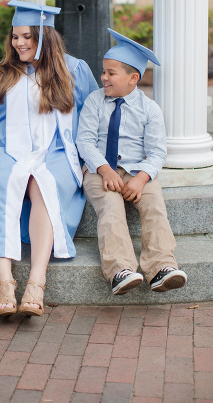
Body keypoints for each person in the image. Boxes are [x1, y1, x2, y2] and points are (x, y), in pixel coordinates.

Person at [0, 0, 98, 317]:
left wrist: (92, 158)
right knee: (0, 179)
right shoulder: (0, 73)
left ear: (45, 37)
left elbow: (94, 116)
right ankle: (4, 283)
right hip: (4, 148)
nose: (19, 43)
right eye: (15, 36)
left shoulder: (75, 70)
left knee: (46, 184)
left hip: (56, 149)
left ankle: (36, 282)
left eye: (27, 36)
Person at [76, 29, 187, 295]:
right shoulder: (94, 101)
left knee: (155, 206)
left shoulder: (149, 108)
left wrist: (141, 178)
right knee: (111, 206)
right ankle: (120, 270)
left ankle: (162, 267)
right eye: (103, 71)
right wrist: (104, 169)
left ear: (133, 78)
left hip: (138, 170)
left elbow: (158, 151)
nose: (103, 77)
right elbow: (85, 142)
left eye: (111, 73)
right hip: (98, 170)